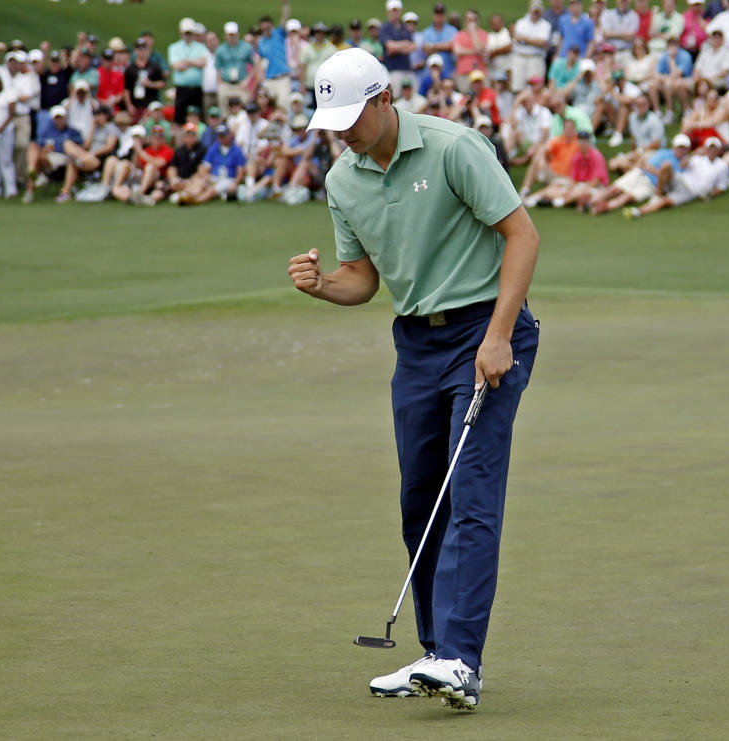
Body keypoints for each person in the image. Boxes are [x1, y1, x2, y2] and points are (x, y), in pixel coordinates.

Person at [287, 48, 539, 712]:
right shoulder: (343, 179)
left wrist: (499, 335)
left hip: (484, 330)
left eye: (351, 116)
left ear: (383, 99)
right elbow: (363, 280)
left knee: (471, 493)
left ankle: (462, 659)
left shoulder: (455, 147)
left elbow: (522, 235)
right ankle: (435, 651)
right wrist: (321, 286)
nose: (341, 130)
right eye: (332, 119)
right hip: (417, 346)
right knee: (421, 502)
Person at [624, 136, 728, 216]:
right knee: (666, 165)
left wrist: (710, 195)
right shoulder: (697, 159)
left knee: (665, 202)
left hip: (691, 192)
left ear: (719, 150)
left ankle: (638, 211)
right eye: (710, 148)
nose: (712, 151)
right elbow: (682, 164)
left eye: (715, 149)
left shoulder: (722, 166)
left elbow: (721, 186)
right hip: (680, 180)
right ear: (706, 149)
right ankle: (658, 194)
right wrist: (694, 154)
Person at [512, 0, 553, 93]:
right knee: (518, 87)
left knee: (535, 88)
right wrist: (533, 40)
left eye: (538, 11)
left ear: (542, 11)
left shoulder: (545, 25)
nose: (536, 13)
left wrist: (526, 39)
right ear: (530, 10)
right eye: (534, 11)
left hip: (536, 58)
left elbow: (542, 42)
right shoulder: (521, 23)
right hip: (520, 57)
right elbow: (517, 38)